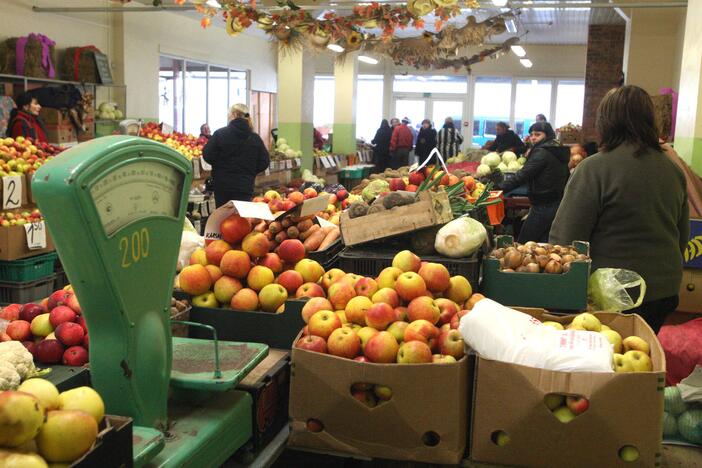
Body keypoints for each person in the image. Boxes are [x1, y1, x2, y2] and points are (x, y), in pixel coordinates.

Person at [550, 85, 689, 333]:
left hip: (610, 297)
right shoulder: (673, 171)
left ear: (605, 122)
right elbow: (682, 237)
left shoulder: (594, 168)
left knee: (607, 360)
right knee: (643, 355)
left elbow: (565, 240)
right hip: (665, 292)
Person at [500, 122, 569, 243]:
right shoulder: (555, 149)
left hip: (543, 204)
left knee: (524, 243)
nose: (533, 137)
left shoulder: (542, 152)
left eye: (538, 134)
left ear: (547, 135)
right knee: (542, 243)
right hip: (554, 201)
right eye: (531, 134)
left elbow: (523, 176)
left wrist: (498, 187)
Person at [203, 103, 270, 207]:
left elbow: (207, 155)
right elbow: (264, 162)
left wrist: (220, 165)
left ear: (233, 115)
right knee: (241, 218)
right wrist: (250, 171)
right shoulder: (254, 138)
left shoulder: (220, 134)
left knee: (223, 218)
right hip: (245, 186)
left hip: (222, 186)